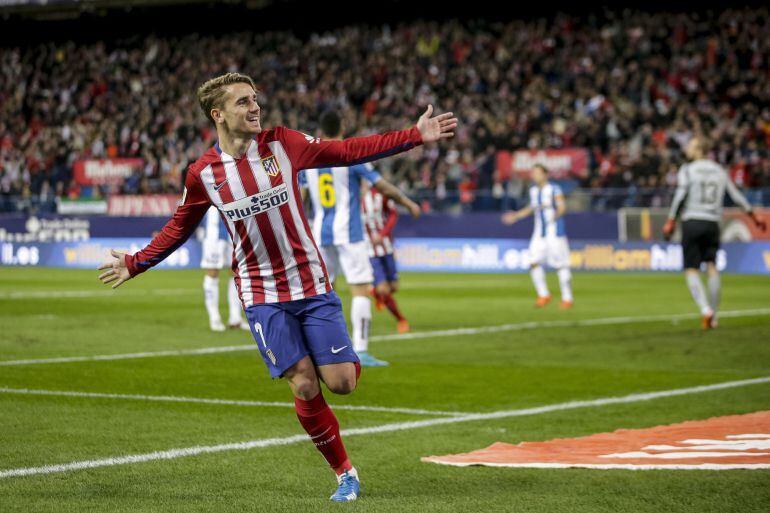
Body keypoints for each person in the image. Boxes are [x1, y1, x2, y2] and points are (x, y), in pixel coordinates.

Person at [97, 72, 457, 501]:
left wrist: (413, 136)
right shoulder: (203, 174)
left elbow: (346, 151)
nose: (255, 108)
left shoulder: (284, 143)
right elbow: (179, 227)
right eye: (243, 102)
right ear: (218, 114)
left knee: (341, 383)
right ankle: (345, 474)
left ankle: (338, 353)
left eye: (255, 100)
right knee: (304, 384)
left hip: (311, 282)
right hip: (261, 294)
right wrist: (136, 263)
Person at [301, 110, 421, 367]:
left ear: (320, 131)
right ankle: (362, 350)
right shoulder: (350, 155)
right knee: (359, 290)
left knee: (321, 293)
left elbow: (300, 198)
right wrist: (407, 202)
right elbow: (382, 186)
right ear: (342, 127)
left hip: (320, 234)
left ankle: (318, 348)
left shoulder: (308, 159)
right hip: (351, 234)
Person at [663, 136, 766, 329]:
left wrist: (670, 220)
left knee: (691, 269)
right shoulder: (719, 170)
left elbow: (680, 195)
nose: (688, 149)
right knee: (712, 266)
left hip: (692, 221)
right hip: (712, 224)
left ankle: (705, 310)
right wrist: (753, 215)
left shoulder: (688, 170)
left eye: (691, 146)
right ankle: (715, 316)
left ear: (699, 149)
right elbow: (735, 195)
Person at [501, 164, 573, 308]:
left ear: (545, 174)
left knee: (561, 265)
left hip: (555, 233)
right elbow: (531, 208)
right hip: (539, 234)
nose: (534, 175)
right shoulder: (533, 191)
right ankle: (544, 294)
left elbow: (562, 207)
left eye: (537, 173)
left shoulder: (554, 189)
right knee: (533, 262)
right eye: (533, 173)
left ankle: (567, 298)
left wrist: (554, 217)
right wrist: (516, 216)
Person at [361, 180, 410, 333]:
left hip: (386, 247)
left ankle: (375, 292)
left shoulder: (381, 196)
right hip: (370, 250)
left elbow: (393, 214)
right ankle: (401, 319)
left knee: (393, 287)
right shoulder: (354, 201)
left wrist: (382, 235)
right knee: (384, 289)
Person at [200, 205, 249, 331]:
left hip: (234, 228)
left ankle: (235, 318)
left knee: (236, 272)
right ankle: (214, 318)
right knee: (212, 271)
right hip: (214, 230)